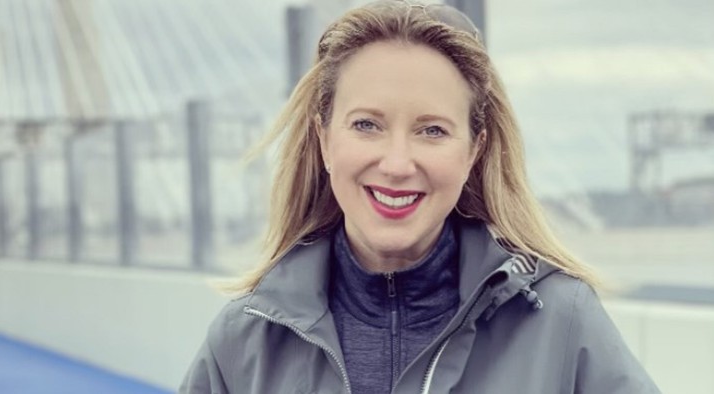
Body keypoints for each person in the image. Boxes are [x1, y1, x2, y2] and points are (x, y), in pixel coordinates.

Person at [180, 1, 660, 393]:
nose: (396, 163)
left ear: (475, 149)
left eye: (432, 130)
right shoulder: (244, 342)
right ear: (325, 139)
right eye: (367, 125)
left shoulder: (562, 321)